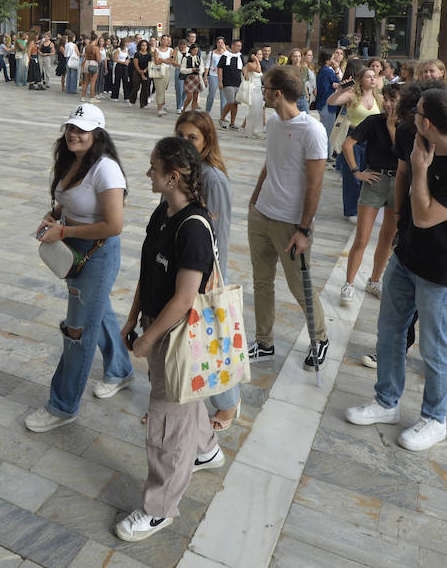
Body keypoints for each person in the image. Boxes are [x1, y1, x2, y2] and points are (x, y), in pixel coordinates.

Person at [345, 89, 447, 451]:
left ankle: (434, 419)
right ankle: (386, 402)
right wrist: (399, 221)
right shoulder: (416, 140)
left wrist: (422, 171)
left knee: (434, 345)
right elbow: (404, 180)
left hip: (444, 270)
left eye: (418, 113)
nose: (408, 116)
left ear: (429, 123)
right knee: (389, 332)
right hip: (407, 256)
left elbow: (426, 215)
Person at [114, 137, 226, 543]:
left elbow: (183, 299)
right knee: (182, 403)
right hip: (157, 324)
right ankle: (206, 449)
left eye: (153, 168)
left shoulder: (193, 229)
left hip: (178, 337)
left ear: (172, 177)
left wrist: (148, 340)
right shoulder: (163, 213)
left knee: (166, 425)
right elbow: (149, 273)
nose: (148, 174)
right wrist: (132, 318)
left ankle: (159, 509)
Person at [26, 103, 134, 432]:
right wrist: (54, 215)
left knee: (78, 331)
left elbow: (113, 225)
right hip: (74, 246)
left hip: (97, 251)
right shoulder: (72, 161)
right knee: (95, 313)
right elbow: (69, 196)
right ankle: (119, 369)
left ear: (97, 134)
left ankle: (63, 405)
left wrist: (66, 231)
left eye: (82, 129)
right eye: (72, 127)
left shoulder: (106, 169)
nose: (74, 133)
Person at [246, 66, 329, 366]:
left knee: (299, 285)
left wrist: (304, 230)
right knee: (262, 281)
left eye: (265, 88)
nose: (262, 92)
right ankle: (264, 342)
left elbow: (315, 184)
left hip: (291, 223)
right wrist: (255, 199)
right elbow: (271, 163)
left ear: (278, 93)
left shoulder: (313, 130)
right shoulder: (273, 123)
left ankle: (319, 338)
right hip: (262, 215)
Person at [174, 111, 240, 431]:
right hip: (182, 265)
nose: (185, 143)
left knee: (210, 342)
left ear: (206, 141)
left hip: (204, 273)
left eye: (193, 138)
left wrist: (212, 279)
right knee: (192, 340)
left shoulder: (212, 178)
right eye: (181, 136)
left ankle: (228, 403)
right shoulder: (182, 171)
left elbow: (219, 233)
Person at [338, 83, 403, 305]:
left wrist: (393, 128)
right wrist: (357, 172)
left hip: (400, 183)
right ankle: (348, 283)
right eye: (386, 98)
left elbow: (404, 154)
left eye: (393, 99)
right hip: (375, 179)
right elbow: (348, 145)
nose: (388, 103)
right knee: (362, 237)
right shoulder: (374, 121)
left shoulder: (409, 126)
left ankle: (374, 280)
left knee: (387, 237)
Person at [328, 62, 381, 221]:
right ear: (361, 80)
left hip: (371, 139)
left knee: (369, 173)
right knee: (352, 175)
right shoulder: (352, 95)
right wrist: (340, 90)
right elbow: (331, 102)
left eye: (374, 77)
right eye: (368, 77)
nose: (372, 79)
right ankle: (351, 211)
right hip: (353, 137)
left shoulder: (378, 97)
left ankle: (364, 207)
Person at [217, 40, 244, 130]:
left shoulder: (240, 56)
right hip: (227, 82)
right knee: (230, 102)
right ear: (232, 46)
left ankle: (232, 123)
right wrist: (220, 81)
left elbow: (243, 68)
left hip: (237, 82)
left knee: (235, 104)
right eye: (237, 46)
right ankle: (222, 119)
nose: (239, 48)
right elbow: (220, 68)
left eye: (240, 46)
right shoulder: (225, 56)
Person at [241, 49, 266, 139]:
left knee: (258, 110)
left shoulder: (257, 63)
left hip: (258, 89)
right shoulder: (250, 64)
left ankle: (254, 130)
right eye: (258, 54)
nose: (261, 56)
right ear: (253, 55)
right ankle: (253, 130)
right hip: (253, 89)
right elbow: (258, 70)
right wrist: (255, 60)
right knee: (254, 110)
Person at [152, 36, 176, 116]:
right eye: (164, 39)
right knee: (159, 89)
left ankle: (162, 105)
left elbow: (171, 61)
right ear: (161, 40)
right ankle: (159, 108)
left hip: (167, 70)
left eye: (167, 39)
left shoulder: (170, 50)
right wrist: (165, 60)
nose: (165, 41)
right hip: (158, 70)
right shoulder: (156, 50)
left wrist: (161, 60)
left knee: (163, 89)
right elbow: (156, 62)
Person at [204, 38, 227, 115]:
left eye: (222, 42)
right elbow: (207, 65)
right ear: (216, 43)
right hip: (213, 75)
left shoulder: (227, 53)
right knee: (211, 94)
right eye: (218, 42)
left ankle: (223, 115)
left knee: (223, 97)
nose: (220, 44)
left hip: (224, 76)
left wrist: (226, 51)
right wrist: (205, 77)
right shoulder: (212, 53)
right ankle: (207, 111)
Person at [180, 43, 204, 111]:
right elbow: (182, 70)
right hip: (189, 78)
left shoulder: (199, 58)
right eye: (194, 50)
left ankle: (192, 111)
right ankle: (184, 109)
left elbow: (202, 68)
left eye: (196, 51)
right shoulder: (186, 58)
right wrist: (191, 70)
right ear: (191, 50)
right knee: (189, 97)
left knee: (196, 97)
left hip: (197, 78)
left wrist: (199, 71)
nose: (195, 52)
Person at [132, 39, 153, 108]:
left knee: (146, 87)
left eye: (145, 45)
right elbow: (136, 64)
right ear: (140, 46)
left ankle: (143, 103)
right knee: (136, 86)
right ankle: (132, 99)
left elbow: (150, 64)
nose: (144, 47)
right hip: (137, 71)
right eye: (143, 45)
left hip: (146, 71)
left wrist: (144, 71)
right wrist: (140, 72)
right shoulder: (137, 54)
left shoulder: (149, 54)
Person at [81, 35, 101, 101]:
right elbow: (98, 59)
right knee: (93, 82)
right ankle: (92, 97)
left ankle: (83, 97)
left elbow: (85, 56)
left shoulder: (87, 47)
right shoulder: (96, 48)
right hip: (93, 63)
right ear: (96, 39)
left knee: (86, 81)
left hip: (87, 62)